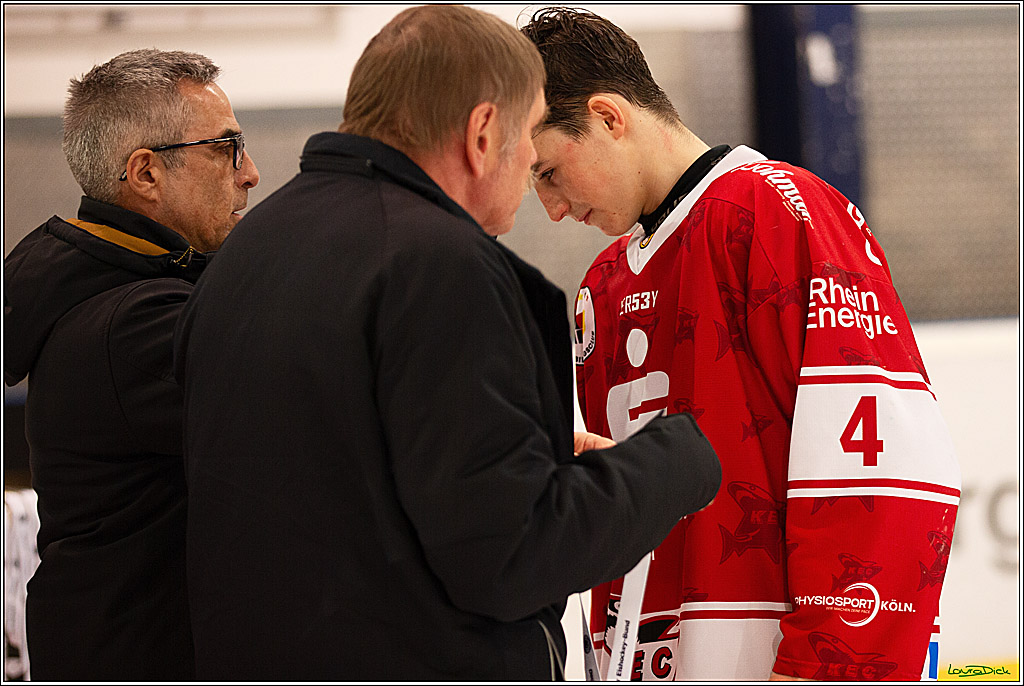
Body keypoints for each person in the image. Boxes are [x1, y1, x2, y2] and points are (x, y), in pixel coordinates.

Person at [173, 5, 721, 681]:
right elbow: (512, 554)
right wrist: (677, 458)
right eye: (528, 143)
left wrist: (523, 445)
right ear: (483, 132)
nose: (528, 172)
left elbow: (351, 473)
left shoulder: (248, 252)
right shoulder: (440, 266)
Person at [521, 8, 961, 681]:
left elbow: (883, 473)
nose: (550, 208)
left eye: (550, 172)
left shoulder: (779, 212)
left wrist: (829, 666)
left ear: (609, 117)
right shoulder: (600, 287)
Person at [3, 49, 260, 680]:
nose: (250, 172)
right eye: (227, 147)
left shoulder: (107, 290)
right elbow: (315, 435)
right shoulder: (140, 323)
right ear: (145, 174)